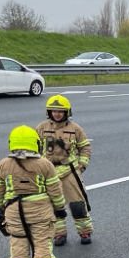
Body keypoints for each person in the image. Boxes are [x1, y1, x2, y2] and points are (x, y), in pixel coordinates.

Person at [0, 126, 67, 258]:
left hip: (14, 214)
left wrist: (0, 208)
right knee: (42, 245)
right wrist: (60, 209)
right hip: (40, 213)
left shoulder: (3, 165)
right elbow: (55, 191)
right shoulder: (45, 164)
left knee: (18, 246)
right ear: (36, 143)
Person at [36, 95, 93, 245]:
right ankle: (59, 234)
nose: (57, 114)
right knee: (53, 205)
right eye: (53, 111)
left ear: (67, 112)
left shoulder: (75, 129)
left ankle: (85, 231)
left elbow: (85, 147)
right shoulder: (41, 128)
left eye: (60, 111)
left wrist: (81, 166)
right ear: (49, 112)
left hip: (69, 172)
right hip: (48, 173)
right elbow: (34, 150)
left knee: (77, 204)